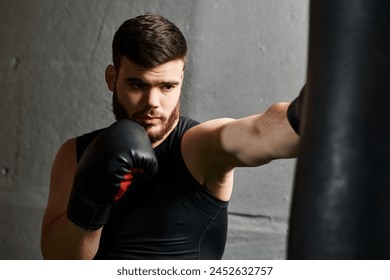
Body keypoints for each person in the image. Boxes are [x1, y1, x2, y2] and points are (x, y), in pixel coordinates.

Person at [40, 13, 301, 260]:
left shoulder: (199, 147)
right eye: (137, 85)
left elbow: (261, 131)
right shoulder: (75, 153)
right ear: (112, 78)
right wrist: (91, 201)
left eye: (167, 86)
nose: (152, 102)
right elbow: (59, 260)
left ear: (181, 81)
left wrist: (308, 118)